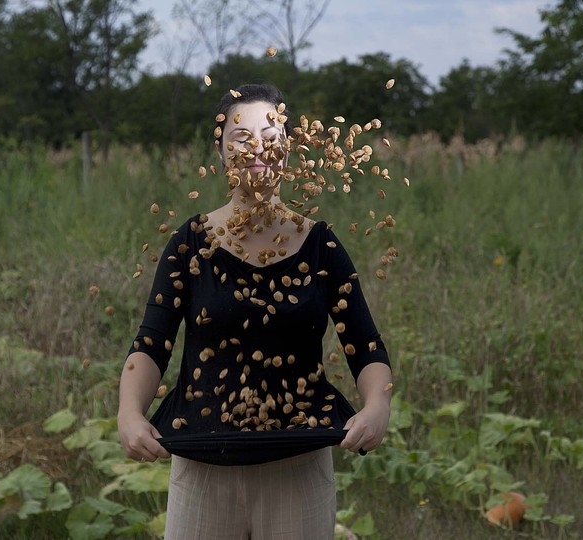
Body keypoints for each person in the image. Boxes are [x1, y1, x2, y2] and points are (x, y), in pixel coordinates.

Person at [117, 83, 392, 540]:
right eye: (241, 138)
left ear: (289, 149)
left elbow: (366, 347)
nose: (257, 148)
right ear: (221, 154)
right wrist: (129, 412)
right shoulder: (190, 242)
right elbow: (150, 344)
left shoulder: (320, 244)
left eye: (271, 135)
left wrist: (378, 404)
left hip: (298, 462)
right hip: (203, 462)